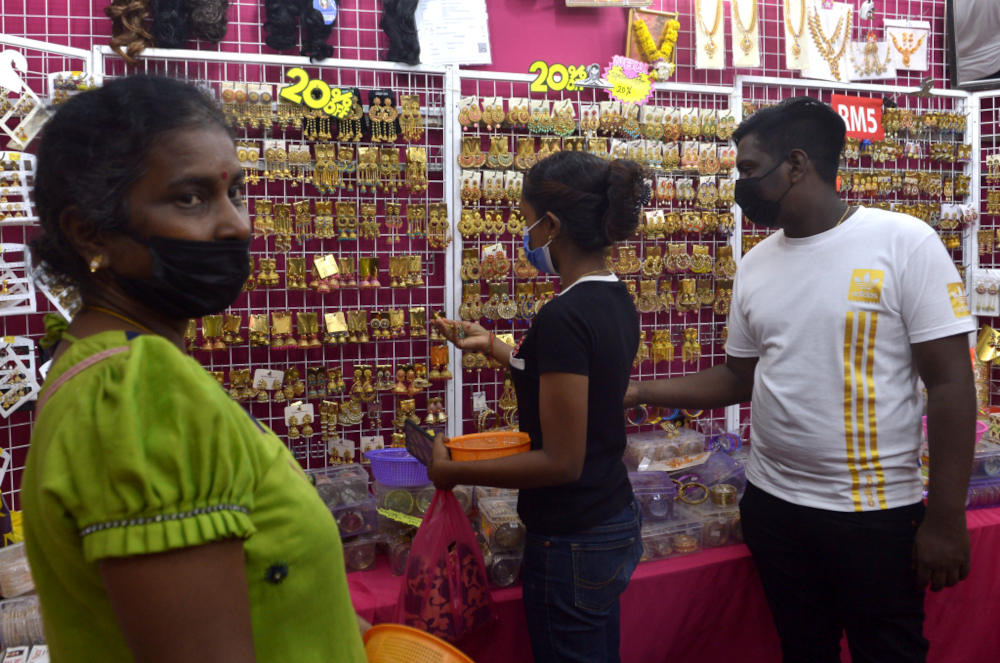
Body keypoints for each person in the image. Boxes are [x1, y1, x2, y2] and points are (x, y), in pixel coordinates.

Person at [22, 75, 368, 663]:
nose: (237, 224)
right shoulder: (138, 392)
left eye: (234, 191)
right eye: (191, 198)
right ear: (89, 232)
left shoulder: (99, 362)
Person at [626, 96, 976, 663]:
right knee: (802, 649)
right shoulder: (757, 263)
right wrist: (639, 392)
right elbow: (739, 376)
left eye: (746, 169)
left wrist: (946, 517)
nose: (738, 185)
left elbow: (952, 385)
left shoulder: (904, 243)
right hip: (773, 506)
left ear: (795, 164)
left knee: (887, 651)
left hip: (873, 514)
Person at [429, 151, 647, 663]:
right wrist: (494, 346)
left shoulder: (565, 315)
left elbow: (561, 462)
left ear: (551, 225)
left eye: (527, 224)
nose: (525, 239)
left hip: (574, 535)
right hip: (608, 514)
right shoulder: (613, 297)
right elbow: (574, 383)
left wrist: (455, 470)